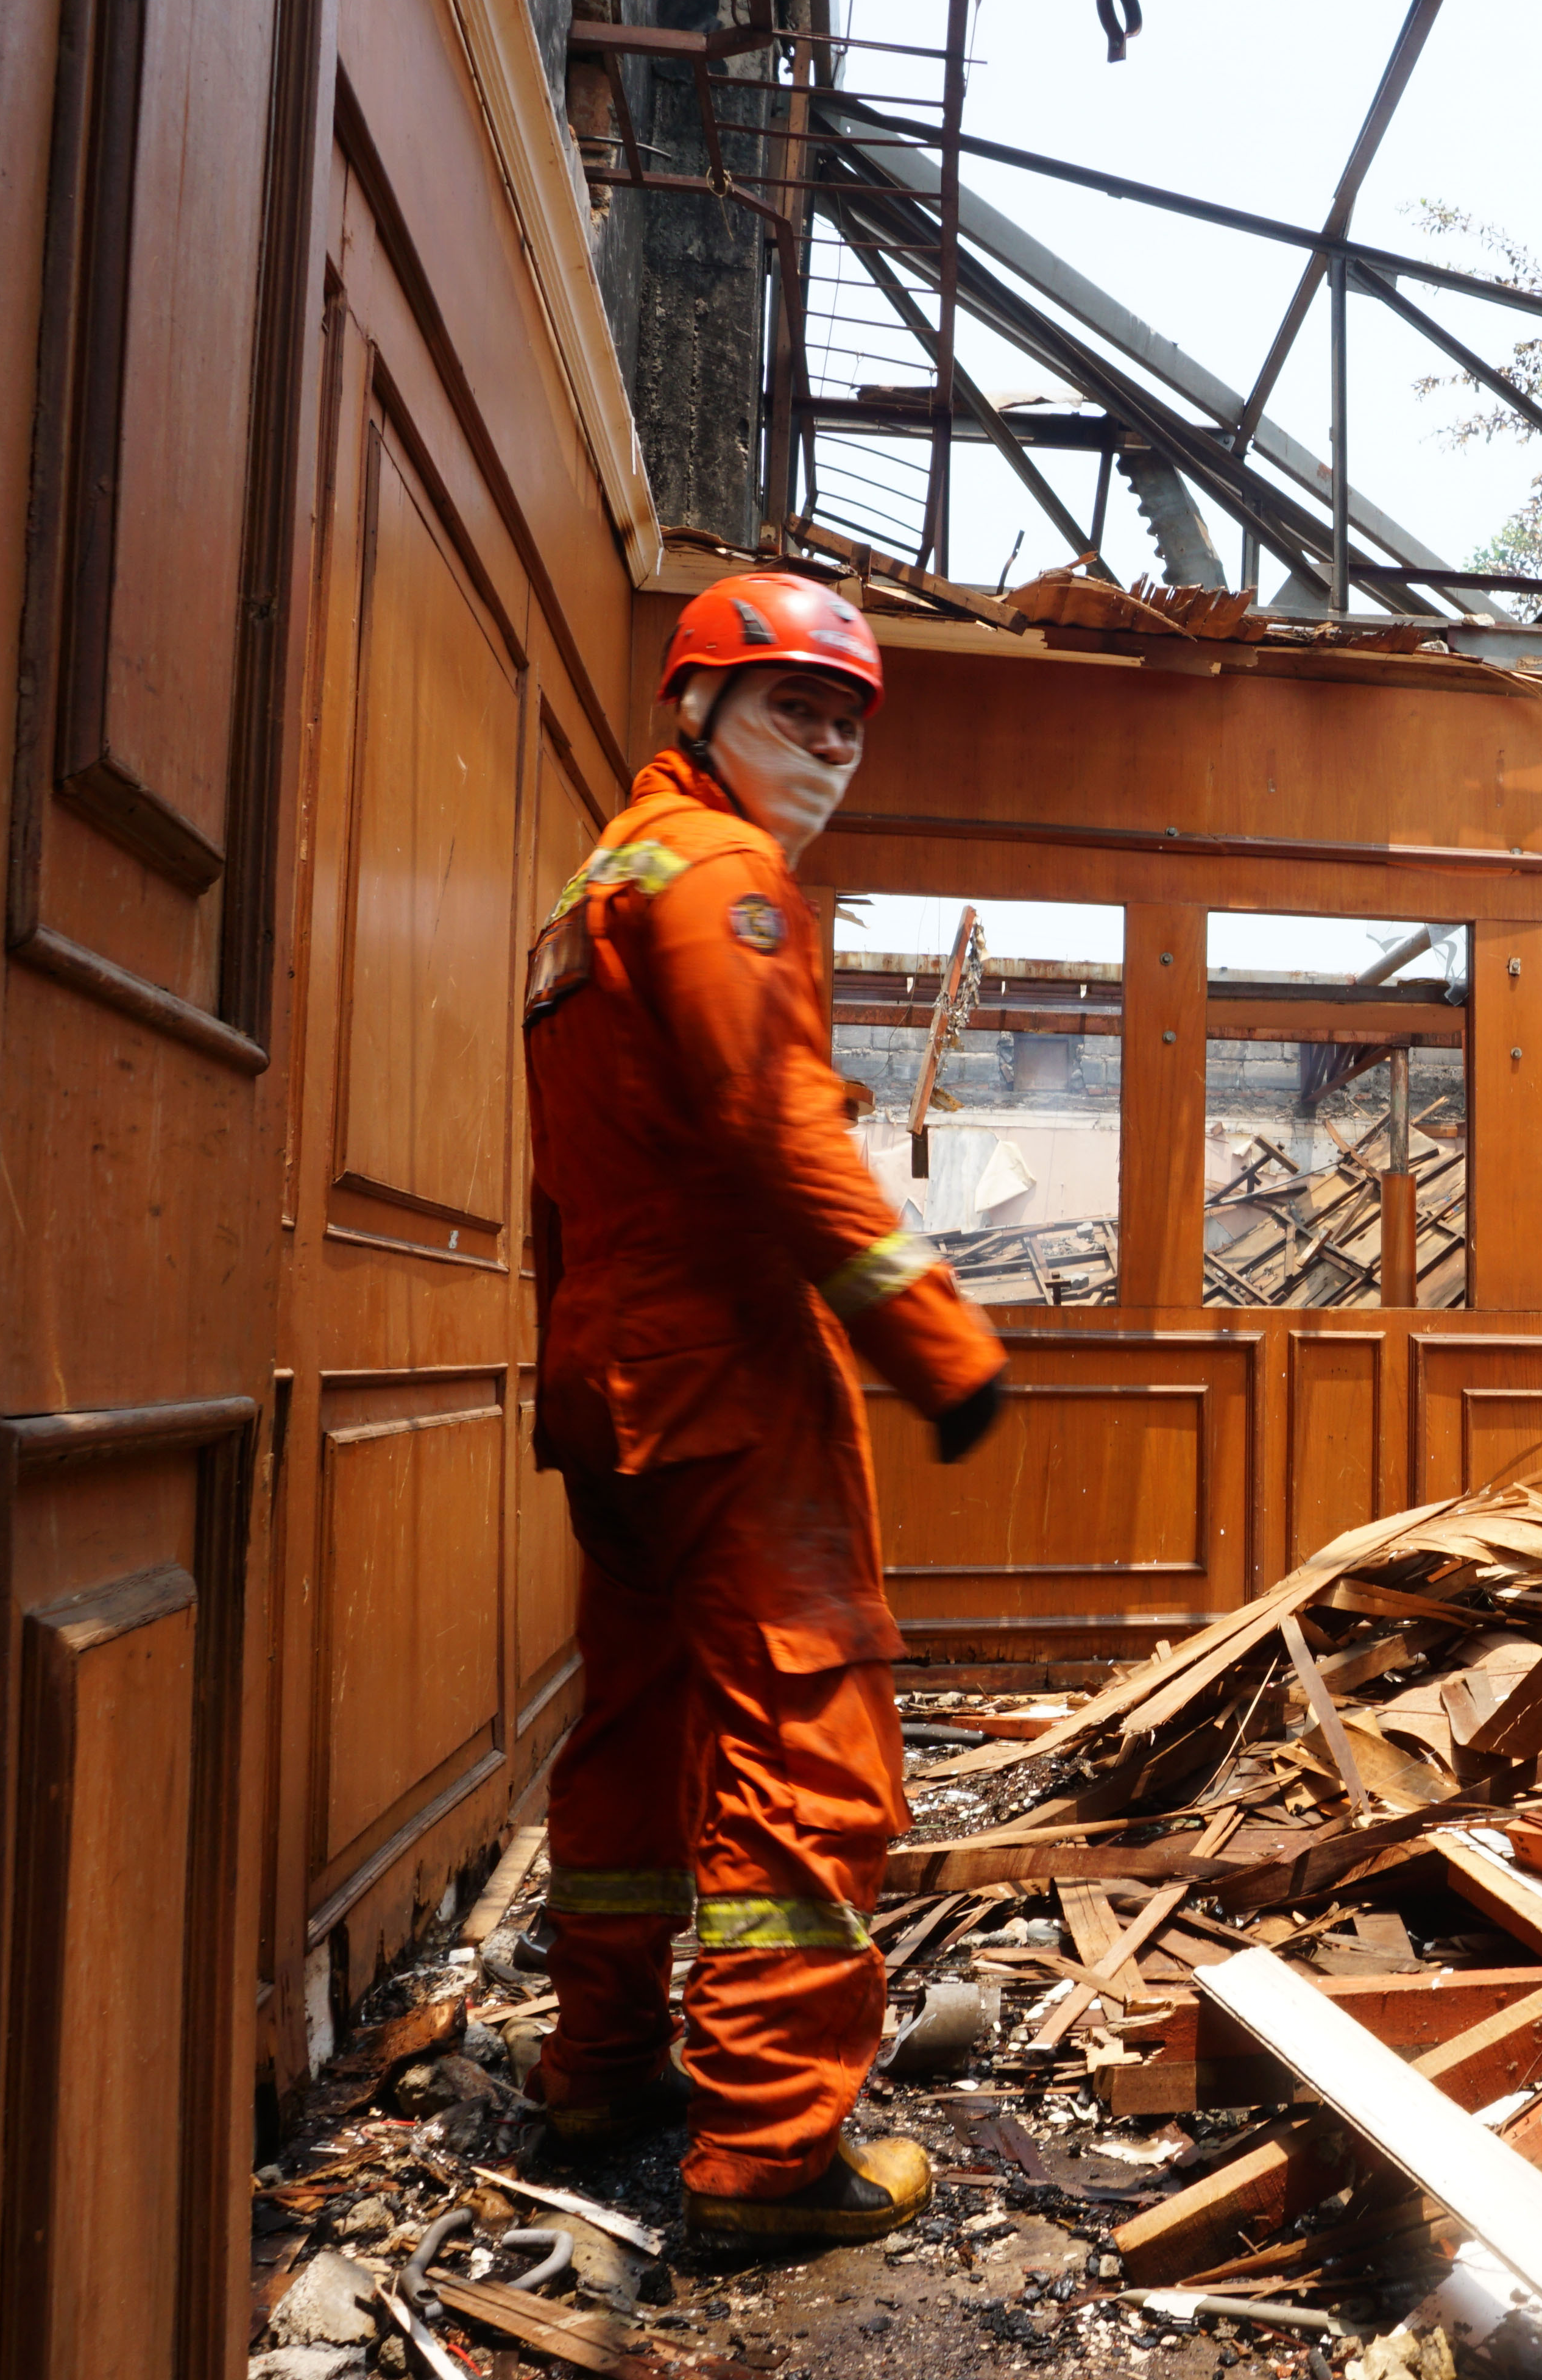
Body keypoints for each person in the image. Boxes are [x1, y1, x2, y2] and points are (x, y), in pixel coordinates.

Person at [519, 569, 1006, 2240]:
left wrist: (570, 1370)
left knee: (637, 1734)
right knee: (810, 1741)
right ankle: (772, 2155)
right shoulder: (723, 876)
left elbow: (570, 1185)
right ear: (695, 706)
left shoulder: (595, 884)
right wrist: (939, 1343)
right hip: (728, 1378)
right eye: (795, 701)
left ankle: (600, 2068)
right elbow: (780, 1125)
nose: (831, 740)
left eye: (852, 717)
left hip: (614, 1386)